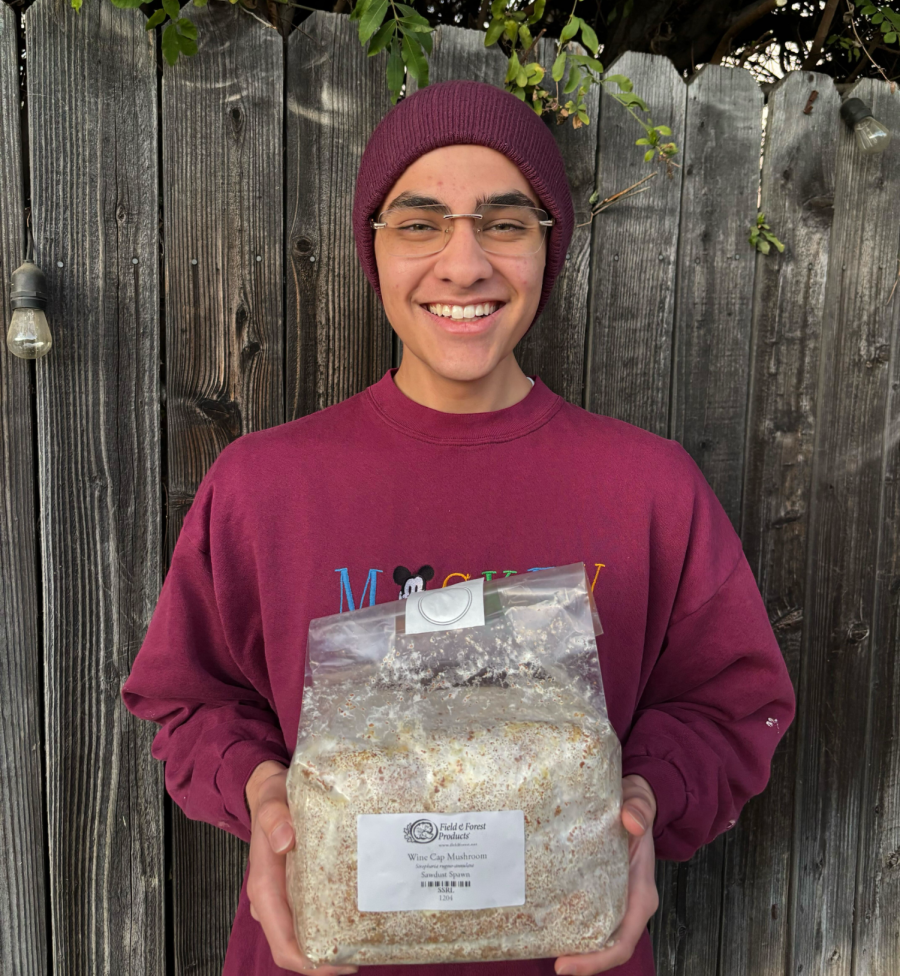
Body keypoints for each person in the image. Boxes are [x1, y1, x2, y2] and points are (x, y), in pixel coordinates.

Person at [121, 79, 795, 976]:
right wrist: (263, 788)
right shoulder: (263, 485)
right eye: (420, 222)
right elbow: (187, 700)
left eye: (506, 223)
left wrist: (645, 797)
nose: (464, 263)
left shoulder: (648, 488)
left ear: (547, 250)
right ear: (374, 247)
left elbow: (732, 706)